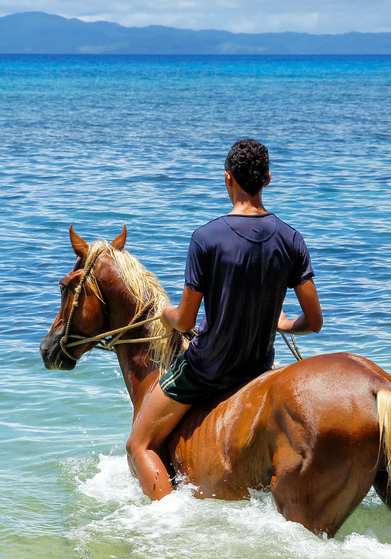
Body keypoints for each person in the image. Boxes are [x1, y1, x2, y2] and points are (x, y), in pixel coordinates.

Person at [126, 139, 323, 500]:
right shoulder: (292, 239)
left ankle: (166, 524)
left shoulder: (206, 238)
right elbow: (314, 321)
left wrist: (166, 314)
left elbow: (185, 322)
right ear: (268, 178)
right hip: (259, 368)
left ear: (227, 178)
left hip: (209, 369)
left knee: (139, 443)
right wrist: (282, 324)